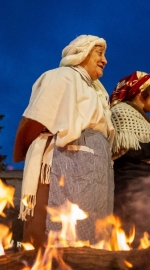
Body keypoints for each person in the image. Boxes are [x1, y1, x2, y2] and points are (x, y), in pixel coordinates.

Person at [14, 35, 115, 247]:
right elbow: (37, 119)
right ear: (82, 53)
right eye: (99, 53)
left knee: (91, 227)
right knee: (54, 226)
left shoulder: (97, 90)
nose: (105, 60)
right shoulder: (60, 77)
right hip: (64, 160)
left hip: (93, 166)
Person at [109, 71, 150, 242]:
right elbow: (121, 151)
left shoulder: (146, 121)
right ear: (141, 92)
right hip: (132, 192)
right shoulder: (121, 112)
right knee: (136, 242)